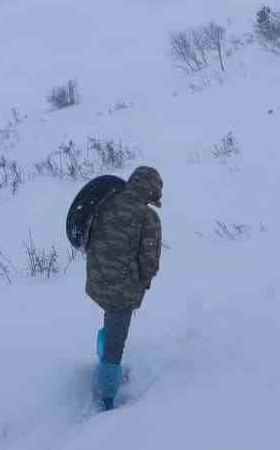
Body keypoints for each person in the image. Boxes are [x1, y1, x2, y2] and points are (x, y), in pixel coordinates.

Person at [84, 165, 163, 411]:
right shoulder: (147, 217)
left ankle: (104, 358)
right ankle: (107, 398)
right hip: (122, 290)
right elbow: (149, 262)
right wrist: (144, 281)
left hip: (97, 282)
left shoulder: (107, 202)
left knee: (111, 321)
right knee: (116, 344)